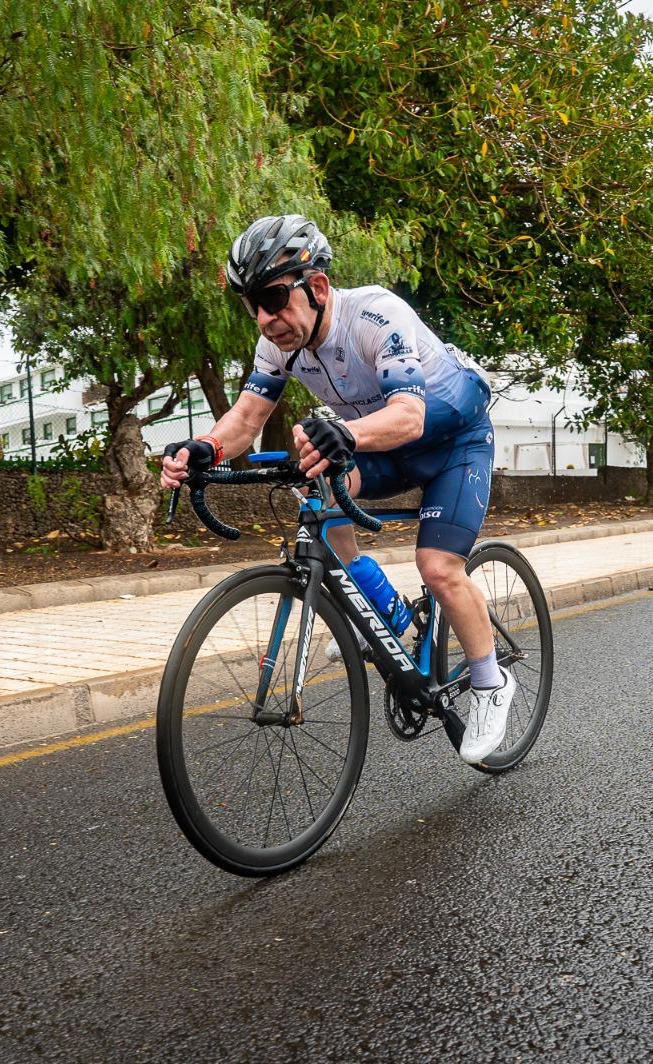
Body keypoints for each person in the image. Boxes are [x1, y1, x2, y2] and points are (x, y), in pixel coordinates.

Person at [158, 214, 513, 764]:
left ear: (317, 287)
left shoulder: (376, 316)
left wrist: (344, 431)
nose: (264, 318)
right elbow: (247, 418)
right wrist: (205, 448)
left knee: (439, 567)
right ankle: (384, 609)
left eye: (274, 298)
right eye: (252, 304)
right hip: (386, 442)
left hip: (452, 441)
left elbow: (410, 416)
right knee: (314, 476)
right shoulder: (280, 345)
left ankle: (492, 685)